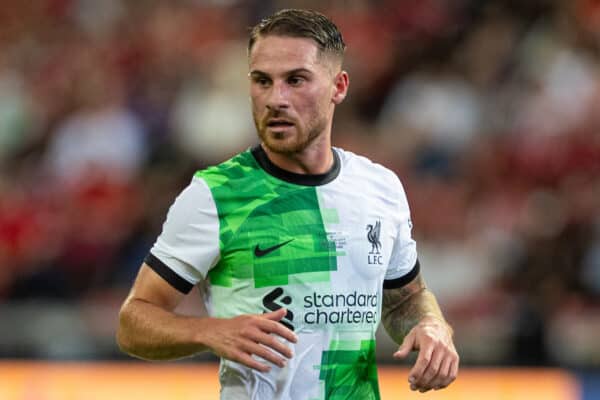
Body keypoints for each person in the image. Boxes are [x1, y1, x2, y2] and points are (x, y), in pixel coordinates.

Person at [116, 8, 459, 399]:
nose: (276, 99)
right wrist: (208, 332)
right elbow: (134, 321)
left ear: (338, 86)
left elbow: (406, 299)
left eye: (296, 80)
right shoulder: (215, 195)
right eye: (262, 81)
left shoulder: (380, 188)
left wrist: (433, 325)